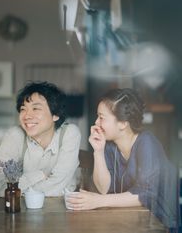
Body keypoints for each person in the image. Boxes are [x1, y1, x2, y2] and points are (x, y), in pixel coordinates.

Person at [66, 88, 179, 232]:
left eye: (101, 117)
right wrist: (98, 151)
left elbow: (146, 195)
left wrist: (97, 201)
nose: (96, 122)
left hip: (158, 223)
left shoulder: (147, 143)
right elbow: (103, 189)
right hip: (129, 220)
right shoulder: (110, 145)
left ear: (123, 123)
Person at [0, 81, 81, 197]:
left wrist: (17, 188)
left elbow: (57, 187)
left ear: (55, 115)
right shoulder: (15, 135)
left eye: (36, 108)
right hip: (21, 210)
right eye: (23, 109)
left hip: (63, 210)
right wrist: (39, 175)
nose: (27, 116)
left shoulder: (69, 133)